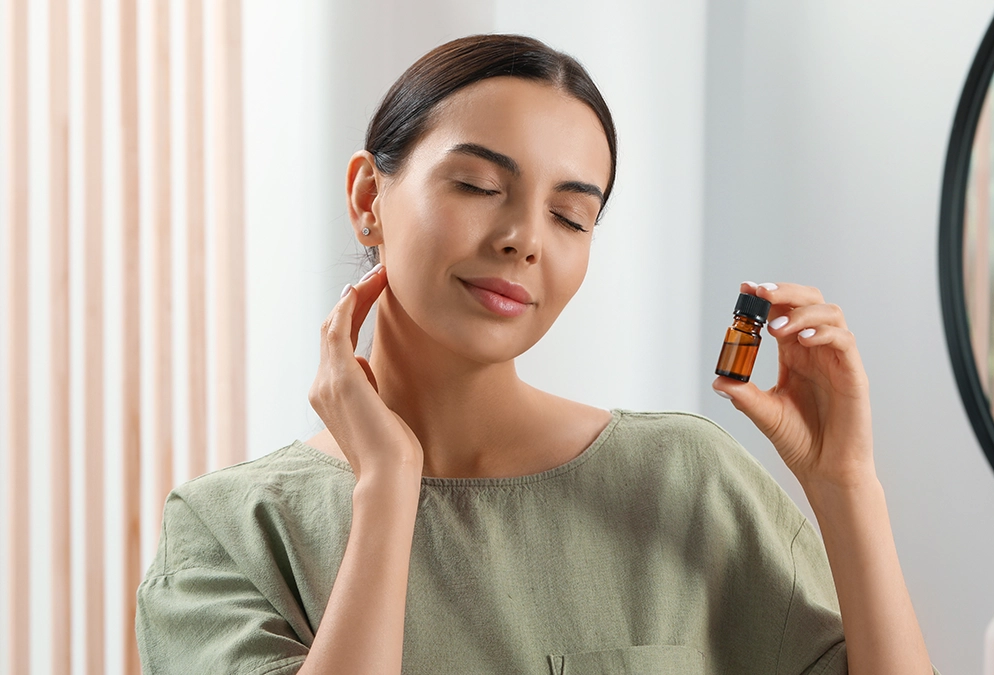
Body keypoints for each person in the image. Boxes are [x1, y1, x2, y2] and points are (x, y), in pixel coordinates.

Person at [135, 33, 937, 674]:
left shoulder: (684, 480)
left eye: (569, 215)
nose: (523, 238)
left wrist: (845, 485)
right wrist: (386, 486)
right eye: (480, 186)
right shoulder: (223, 534)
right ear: (367, 199)